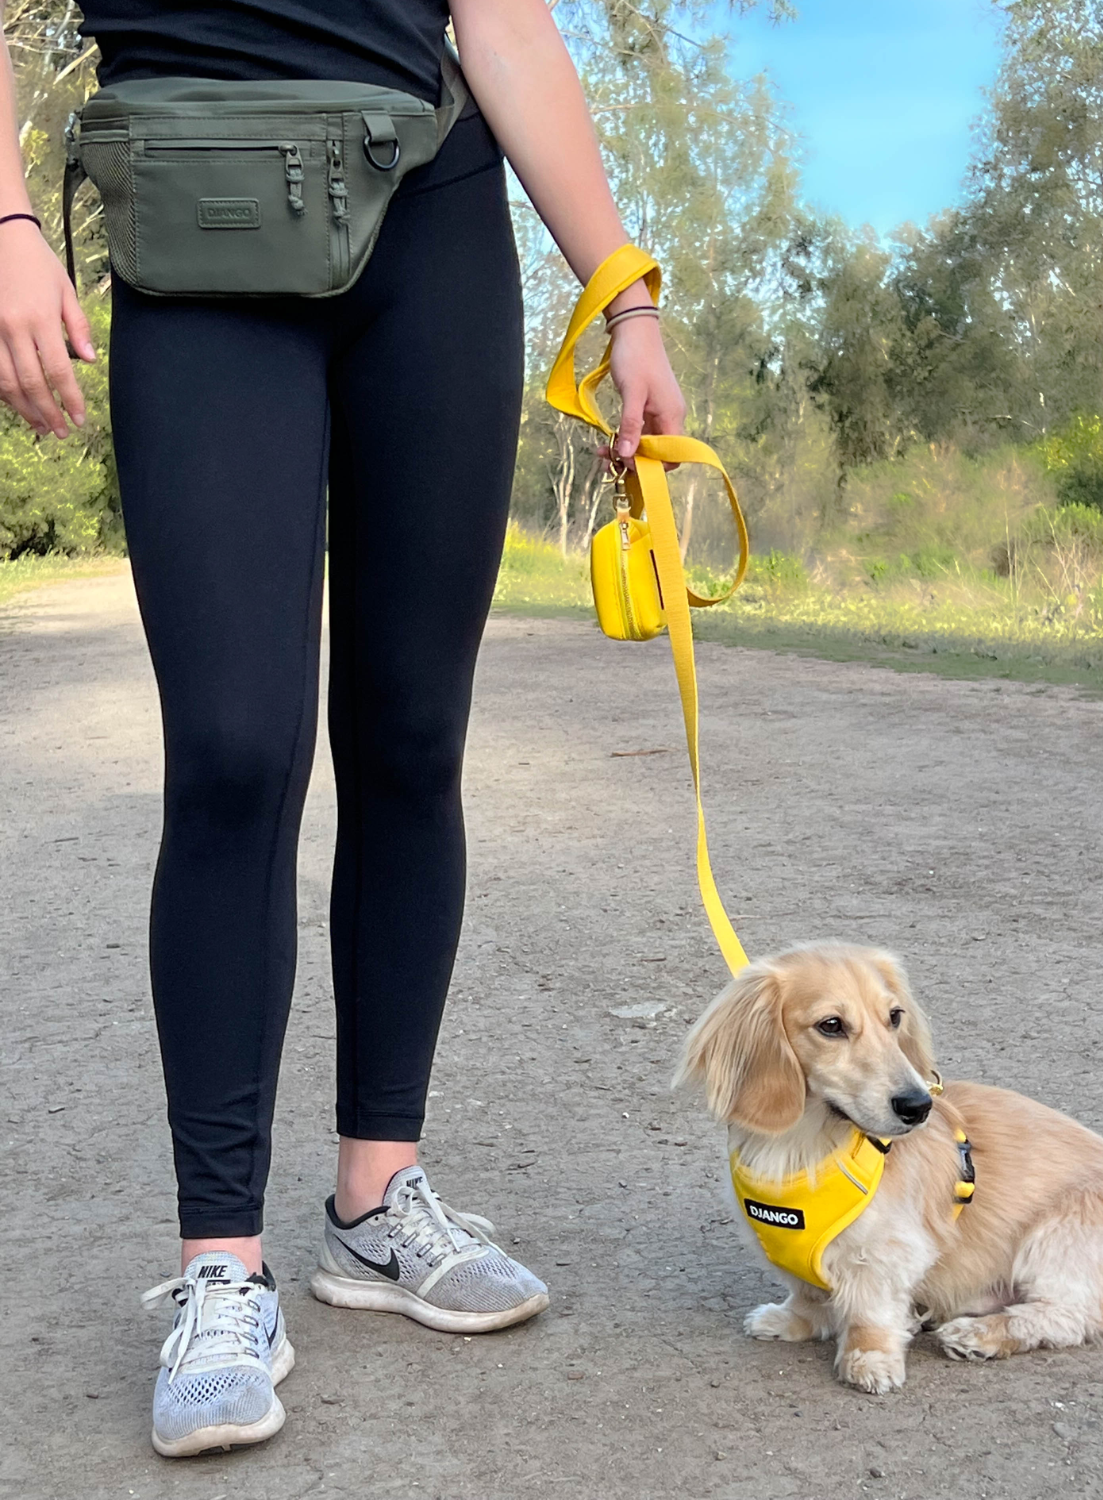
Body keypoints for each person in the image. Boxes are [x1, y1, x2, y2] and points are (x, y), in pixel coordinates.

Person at [0, 0, 686, 1459]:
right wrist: (6, 214)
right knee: (238, 750)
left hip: (430, 215)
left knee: (411, 735)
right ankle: (219, 1268)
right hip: (197, 219)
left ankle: (376, 1202)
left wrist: (624, 295)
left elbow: (502, 22)